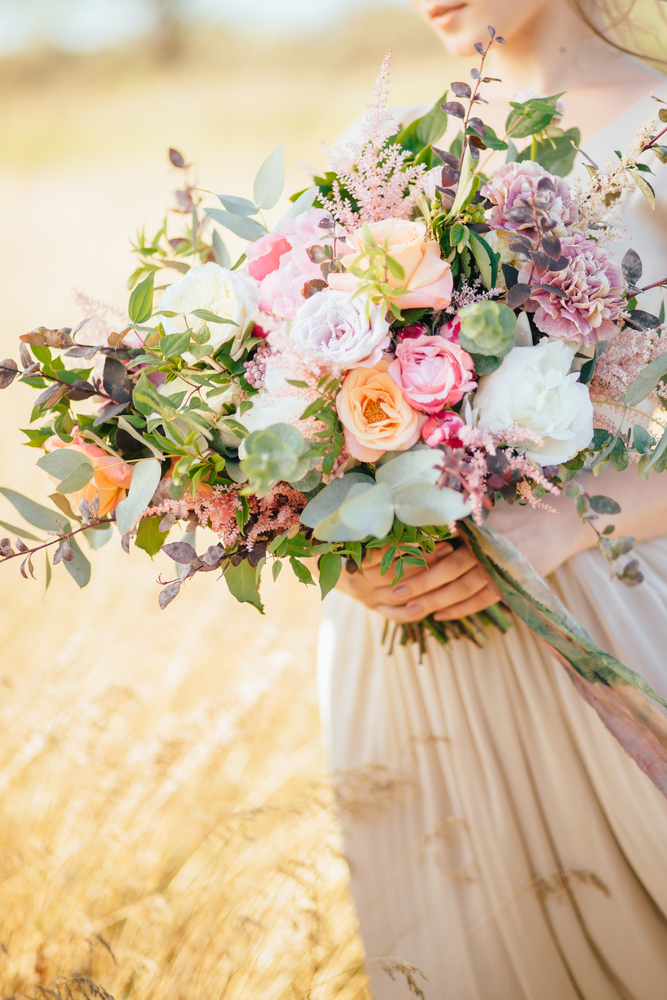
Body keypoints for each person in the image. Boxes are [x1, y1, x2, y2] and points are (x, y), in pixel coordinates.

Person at [317, 2, 667, 997]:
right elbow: (309, 413)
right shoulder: (380, 151)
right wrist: (345, 555)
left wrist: (566, 515)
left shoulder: (658, 128)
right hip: (407, 661)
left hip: (600, 614)